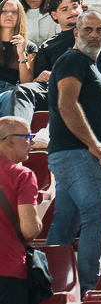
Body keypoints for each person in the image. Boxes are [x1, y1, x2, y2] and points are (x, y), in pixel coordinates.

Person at [42, 9, 101, 294]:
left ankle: (51, 287)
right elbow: (67, 104)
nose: (95, 35)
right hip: (79, 154)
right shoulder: (73, 59)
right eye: (88, 30)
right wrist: (93, 143)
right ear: (75, 32)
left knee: (66, 221)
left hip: (71, 154)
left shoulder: (88, 63)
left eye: (100, 30)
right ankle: (88, 289)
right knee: (97, 216)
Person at [0, 113, 39, 300]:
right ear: (8, 141)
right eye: (28, 137)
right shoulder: (22, 175)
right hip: (9, 272)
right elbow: (30, 230)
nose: (32, 142)